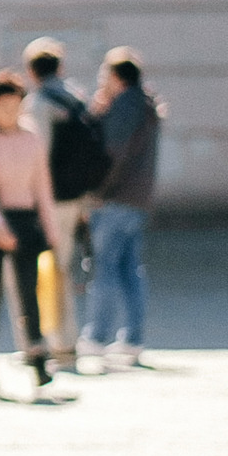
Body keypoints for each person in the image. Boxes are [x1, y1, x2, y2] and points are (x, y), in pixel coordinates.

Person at [0, 70, 68, 394]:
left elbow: (42, 187)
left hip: (24, 222)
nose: (9, 112)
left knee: (28, 291)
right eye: (3, 105)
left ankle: (37, 359)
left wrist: (51, 230)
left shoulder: (30, 136)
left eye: (15, 105)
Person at [24, 38, 109, 368]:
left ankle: (59, 342)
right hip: (77, 195)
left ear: (32, 71)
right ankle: (61, 340)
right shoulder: (76, 97)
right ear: (59, 66)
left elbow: (39, 156)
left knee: (52, 269)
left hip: (52, 199)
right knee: (63, 265)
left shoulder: (41, 102)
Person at [86, 47, 161, 370]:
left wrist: (98, 191)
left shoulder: (126, 105)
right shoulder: (144, 104)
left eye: (105, 74)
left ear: (117, 77)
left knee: (104, 268)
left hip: (116, 199)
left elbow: (114, 152)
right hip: (138, 199)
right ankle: (132, 338)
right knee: (130, 269)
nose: (102, 81)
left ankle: (97, 337)